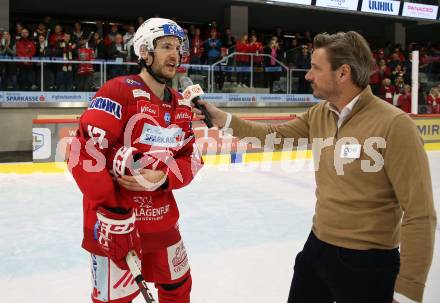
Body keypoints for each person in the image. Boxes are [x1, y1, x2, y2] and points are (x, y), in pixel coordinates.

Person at [192, 31, 436, 303]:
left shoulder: (395, 125)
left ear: (343, 73)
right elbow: (273, 135)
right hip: (317, 249)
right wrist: (222, 118)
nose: (308, 75)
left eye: (316, 68)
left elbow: (419, 213)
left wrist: (407, 293)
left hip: (368, 264)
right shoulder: (320, 113)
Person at [68, 18, 202, 303]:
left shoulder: (180, 105)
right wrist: (115, 215)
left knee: (178, 288)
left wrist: (165, 176)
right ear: (144, 52)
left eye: (178, 48)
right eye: (166, 46)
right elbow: (83, 154)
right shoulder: (118, 91)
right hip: (116, 226)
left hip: (162, 223)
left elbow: (191, 159)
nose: (174, 54)